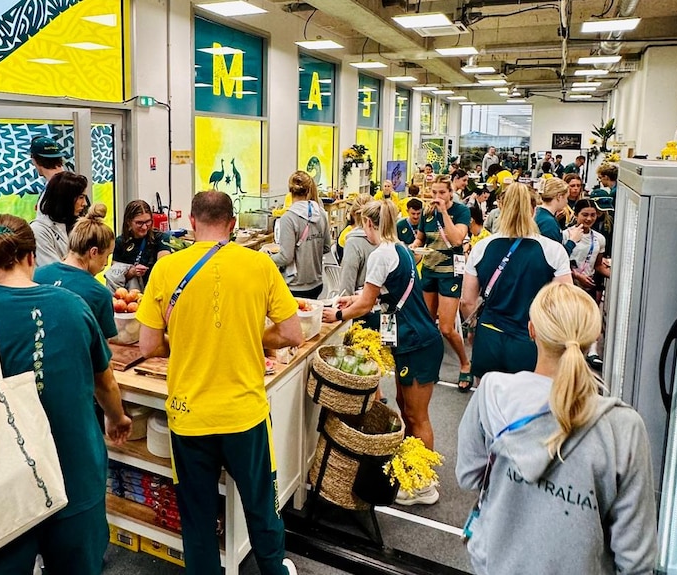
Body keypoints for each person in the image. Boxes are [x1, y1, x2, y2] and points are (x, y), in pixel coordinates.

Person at [0, 214, 131, 575]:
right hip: (72, 473)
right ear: (32, 258)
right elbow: (105, 384)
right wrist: (117, 417)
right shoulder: (75, 306)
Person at [137, 190, 303, 575]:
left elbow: (146, 344)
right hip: (245, 414)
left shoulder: (165, 269)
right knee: (261, 506)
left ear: (192, 223)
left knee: (197, 519)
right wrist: (253, 337)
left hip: (189, 415)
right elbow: (293, 333)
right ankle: (274, 570)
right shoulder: (259, 266)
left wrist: (181, 339)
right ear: (232, 224)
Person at [456, 283, 656, 575]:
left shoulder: (493, 391)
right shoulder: (624, 428)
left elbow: (468, 475)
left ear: (532, 330)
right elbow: (636, 557)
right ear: (593, 338)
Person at [322, 200, 443, 505]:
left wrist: (337, 316)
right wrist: (350, 299)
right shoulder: (399, 248)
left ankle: (424, 484)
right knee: (406, 408)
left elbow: (366, 304)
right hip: (412, 339)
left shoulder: (380, 255)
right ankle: (413, 472)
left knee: (417, 416)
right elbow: (376, 296)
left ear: (368, 224)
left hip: (417, 343)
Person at [461, 183, 572, 380]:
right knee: (528, 402)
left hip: (489, 335)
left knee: (489, 401)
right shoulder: (553, 251)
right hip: (532, 340)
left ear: (501, 208)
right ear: (534, 210)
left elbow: (467, 301)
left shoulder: (481, 248)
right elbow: (563, 304)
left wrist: (473, 329)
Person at [411, 178, 473, 391]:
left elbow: (457, 240)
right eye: (434, 192)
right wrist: (414, 247)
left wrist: (444, 212)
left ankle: (465, 363)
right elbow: (421, 240)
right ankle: (430, 365)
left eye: (442, 193)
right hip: (429, 271)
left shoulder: (462, 211)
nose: (437, 197)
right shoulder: (427, 214)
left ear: (451, 193)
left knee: (446, 328)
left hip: (450, 274)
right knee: (427, 325)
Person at [34, 203, 117, 340]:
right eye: (107, 255)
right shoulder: (99, 294)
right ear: (94, 252)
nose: (106, 263)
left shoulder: (37, 276)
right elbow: (102, 353)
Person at [563, 198, 612, 368]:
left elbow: (598, 265)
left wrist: (616, 275)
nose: (589, 219)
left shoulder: (599, 239)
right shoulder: (566, 235)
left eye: (592, 215)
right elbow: (560, 262)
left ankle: (592, 351)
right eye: (585, 215)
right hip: (569, 285)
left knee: (590, 319)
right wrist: (576, 275)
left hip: (589, 285)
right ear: (576, 215)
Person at [270, 171, 331, 299]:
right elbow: (326, 247)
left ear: (290, 191)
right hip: (317, 283)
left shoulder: (289, 218)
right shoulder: (321, 213)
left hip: (295, 286)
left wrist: (268, 257)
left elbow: (286, 257)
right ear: (309, 189)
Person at [105, 199, 171, 293]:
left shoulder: (161, 238)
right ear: (129, 222)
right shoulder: (120, 242)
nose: (144, 227)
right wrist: (132, 272)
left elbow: (164, 266)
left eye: (148, 221)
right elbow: (115, 275)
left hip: (154, 290)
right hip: (129, 295)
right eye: (139, 223)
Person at [30, 171, 89, 267]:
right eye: (81, 197)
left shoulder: (75, 225)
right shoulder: (39, 230)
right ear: (65, 199)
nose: (85, 203)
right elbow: (55, 271)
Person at [535, 177, 583, 255]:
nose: (567, 201)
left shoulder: (537, 213)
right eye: (566, 197)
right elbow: (555, 258)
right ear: (559, 197)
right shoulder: (549, 223)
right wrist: (572, 240)